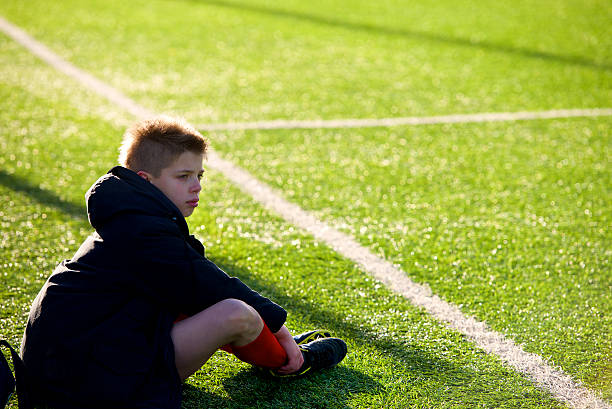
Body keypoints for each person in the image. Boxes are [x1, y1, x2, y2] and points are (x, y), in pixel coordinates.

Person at [20, 116, 347, 408]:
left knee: (197, 302)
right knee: (236, 313)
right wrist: (280, 330)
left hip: (70, 370)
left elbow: (194, 282)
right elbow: (212, 287)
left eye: (199, 175)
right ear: (146, 180)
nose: (197, 186)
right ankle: (294, 362)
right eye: (184, 176)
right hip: (86, 386)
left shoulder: (129, 217)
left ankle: (270, 349)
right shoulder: (143, 232)